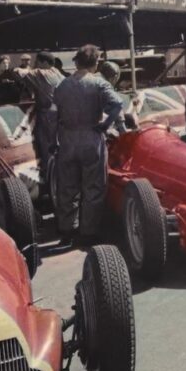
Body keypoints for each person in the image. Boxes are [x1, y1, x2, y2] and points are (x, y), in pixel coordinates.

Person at [54, 45, 123, 245]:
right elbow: (117, 105)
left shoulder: (62, 85)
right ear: (95, 63)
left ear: (76, 62)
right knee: (93, 187)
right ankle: (88, 233)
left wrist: (52, 141)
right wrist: (105, 125)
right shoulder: (99, 84)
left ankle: (67, 231)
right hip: (91, 137)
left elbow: (53, 115)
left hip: (67, 139)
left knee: (67, 187)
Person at [14, 51, 65, 183]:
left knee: (46, 146)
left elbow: (18, 73)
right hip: (61, 114)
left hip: (48, 115)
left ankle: (50, 180)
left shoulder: (42, 73)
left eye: (38, 62)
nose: (36, 65)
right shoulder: (58, 73)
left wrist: (16, 68)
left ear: (45, 63)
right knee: (58, 146)